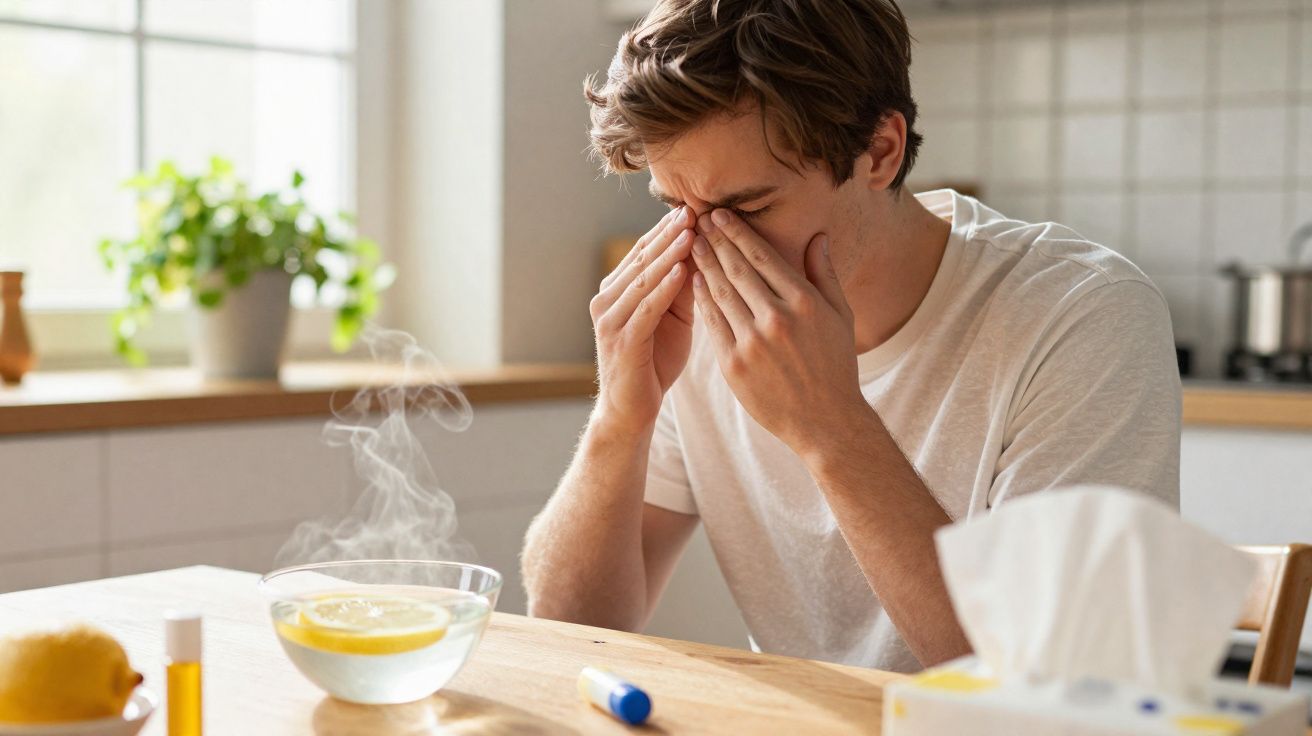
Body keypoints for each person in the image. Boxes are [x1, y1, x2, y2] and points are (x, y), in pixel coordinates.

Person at [521, 0, 1180, 672]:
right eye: (675, 207)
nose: (706, 245)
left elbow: (1043, 678)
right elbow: (568, 624)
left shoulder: (1083, 313)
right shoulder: (696, 323)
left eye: (750, 207)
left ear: (880, 152)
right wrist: (620, 416)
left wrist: (829, 424)